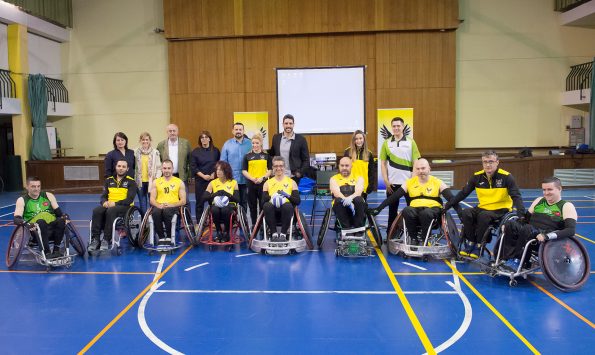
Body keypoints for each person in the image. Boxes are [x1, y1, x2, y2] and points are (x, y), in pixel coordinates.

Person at [444, 150, 525, 259]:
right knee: (466, 213)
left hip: (501, 209)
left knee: (484, 216)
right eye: (485, 162)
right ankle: (471, 242)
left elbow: (516, 196)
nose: (487, 164)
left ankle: (479, 245)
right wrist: (447, 206)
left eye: (491, 161)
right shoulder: (476, 177)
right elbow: (463, 193)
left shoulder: (506, 177)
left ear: (497, 162)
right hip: (483, 207)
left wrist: (521, 215)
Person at [497, 177, 578, 271]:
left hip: (544, 239)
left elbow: (570, 230)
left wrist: (547, 236)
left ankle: (520, 261)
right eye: (544, 190)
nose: (546, 193)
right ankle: (506, 258)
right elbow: (525, 219)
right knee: (510, 224)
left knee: (527, 228)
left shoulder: (566, 206)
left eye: (550, 189)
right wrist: (508, 225)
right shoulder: (539, 200)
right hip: (528, 231)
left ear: (559, 189)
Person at [369, 159, 456, 245]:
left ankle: (424, 238)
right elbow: (393, 197)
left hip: (432, 211)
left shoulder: (438, 182)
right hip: (415, 210)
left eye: (423, 168)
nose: (420, 171)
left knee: (426, 213)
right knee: (407, 210)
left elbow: (452, 199)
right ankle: (414, 238)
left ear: (429, 169)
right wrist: (379, 208)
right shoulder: (409, 183)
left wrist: (460, 213)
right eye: (418, 169)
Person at [380, 117, 421, 231]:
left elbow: (416, 162)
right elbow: (383, 163)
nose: (396, 128)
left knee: (412, 210)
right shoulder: (386, 143)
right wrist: (386, 180)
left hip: (408, 183)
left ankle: (415, 233)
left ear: (403, 127)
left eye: (398, 126)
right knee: (392, 211)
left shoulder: (411, 142)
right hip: (392, 184)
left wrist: (412, 180)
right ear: (391, 128)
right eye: (394, 126)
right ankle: (390, 234)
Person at [89, 160, 137, 252]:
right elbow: (103, 196)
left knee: (111, 210)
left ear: (127, 169)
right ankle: (95, 240)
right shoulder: (108, 180)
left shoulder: (131, 182)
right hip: (110, 205)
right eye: (119, 166)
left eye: (123, 167)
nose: (121, 168)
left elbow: (129, 200)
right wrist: (104, 202)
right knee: (97, 210)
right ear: (116, 167)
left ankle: (106, 239)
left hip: (125, 207)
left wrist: (115, 203)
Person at [13, 176, 66, 258]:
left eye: (38, 186)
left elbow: (59, 213)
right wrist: (28, 225)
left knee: (61, 220)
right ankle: (47, 252)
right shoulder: (22, 200)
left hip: (52, 229)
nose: (36, 189)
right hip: (36, 231)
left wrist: (64, 217)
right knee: (41, 221)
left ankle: (56, 251)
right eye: (33, 186)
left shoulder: (48, 195)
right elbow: (17, 218)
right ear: (27, 187)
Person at [262, 156, 300, 241]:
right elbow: (262, 201)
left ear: (284, 167)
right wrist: (272, 197)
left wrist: (286, 195)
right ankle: (274, 234)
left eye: (281, 166)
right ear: (272, 168)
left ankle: (283, 234)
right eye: (276, 166)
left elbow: (297, 201)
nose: (278, 168)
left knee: (288, 206)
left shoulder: (292, 182)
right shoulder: (267, 183)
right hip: (272, 211)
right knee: (267, 206)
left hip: (287, 210)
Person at [150, 159, 187, 246]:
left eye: (169, 168)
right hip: (159, 206)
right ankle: (162, 237)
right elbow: (152, 199)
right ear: (162, 169)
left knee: (167, 211)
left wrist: (171, 204)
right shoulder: (156, 182)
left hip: (173, 207)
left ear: (172, 169)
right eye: (165, 168)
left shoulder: (179, 182)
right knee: (155, 212)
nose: (166, 170)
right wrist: (158, 205)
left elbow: (183, 200)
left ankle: (170, 236)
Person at [204, 161, 239, 242]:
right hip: (216, 204)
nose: (218, 172)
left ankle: (226, 232)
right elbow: (204, 197)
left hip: (229, 205)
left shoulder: (233, 182)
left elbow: (237, 199)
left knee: (225, 209)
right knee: (214, 210)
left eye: (220, 170)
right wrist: (215, 194)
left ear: (226, 171)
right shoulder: (212, 183)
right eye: (217, 170)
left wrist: (227, 194)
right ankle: (219, 231)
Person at [242, 133, 272, 226]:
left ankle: (262, 224)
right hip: (251, 184)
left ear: (261, 143)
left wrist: (262, 178)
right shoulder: (247, 156)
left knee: (263, 205)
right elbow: (244, 170)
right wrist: (252, 178)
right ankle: (255, 225)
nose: (255, 145)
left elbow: (270, 170)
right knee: (252, 206)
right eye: (253, 143)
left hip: (263, 184)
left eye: (257, 143)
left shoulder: (266, 156)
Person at [270, 114, 310, 184]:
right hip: (278, 175)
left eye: (290, 123)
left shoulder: (301, 139)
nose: (288, 125)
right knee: (278, 195)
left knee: (292, 195)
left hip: (293, 176)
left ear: (293, 124)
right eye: (286, 123)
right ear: (283, 124)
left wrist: (299, 173)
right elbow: (272, 153)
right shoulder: (276, 138)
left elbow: (306, 160)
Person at [221, 122, 252, 211]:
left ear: (243, 131)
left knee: (244, 202)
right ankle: (234, 223)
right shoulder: (227, 144)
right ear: (232, 131)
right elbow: (223, 162)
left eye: (240, 129)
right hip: (232, 179)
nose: (238, 131)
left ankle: (244, 222)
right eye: (236, 129)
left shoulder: (250, 143)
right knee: (233, 202)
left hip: (246, 179)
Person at [191, 130, 220, 222]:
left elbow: (218, 164)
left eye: (206, 137)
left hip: (213, 180)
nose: (204, 139)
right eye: (202, 138)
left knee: (213, 202)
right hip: (200, 180)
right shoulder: (195, 151)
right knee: (200, 202)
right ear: (200, 140)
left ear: (209, 139)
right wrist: (203, 176)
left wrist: (214, 174)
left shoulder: (215, 151)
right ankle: (199, 223)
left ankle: (215, 222)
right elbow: (193, 167)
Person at [330, 157, 367, 229]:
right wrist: (346, 201)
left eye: (347, 165)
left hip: (356, 205)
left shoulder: (359, 178)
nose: (344, 168)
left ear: (351, 166)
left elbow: (358, 192)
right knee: (338, 200)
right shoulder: (334, 179)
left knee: (359, 199)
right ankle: (346, 228)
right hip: (340, 205)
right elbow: (336, 193)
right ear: (339, 166)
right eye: (342, 165)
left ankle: (358, 228)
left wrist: (350, 199)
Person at [134, 132, 162, 215]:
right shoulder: (135, 152)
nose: (145, 141)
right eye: (143, 140)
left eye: (147, 139)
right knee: (143, 205)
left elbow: (159, 168)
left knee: (152, 203)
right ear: (140, 141)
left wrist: (156, 179)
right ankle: (145, 225)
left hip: (151, 181)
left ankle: (152, 222)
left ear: (150, 141)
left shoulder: (155, 152)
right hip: (140, 182)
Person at [344, 130, 377, 198]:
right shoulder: (347, 152)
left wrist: (370, 186)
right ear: (353, 140)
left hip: (363, 187)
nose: (358, 141)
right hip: (350, 186)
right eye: (356, 139)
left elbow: (371, 172)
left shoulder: (369, 153)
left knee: (361, 207)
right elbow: (343, 169)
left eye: (360, 138)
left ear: (364, 139)